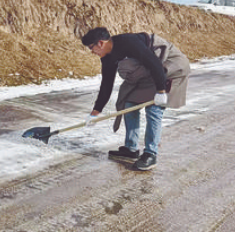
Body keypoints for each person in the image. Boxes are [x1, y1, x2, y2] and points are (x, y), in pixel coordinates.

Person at [81, 27, 190, 171]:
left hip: (168, 67)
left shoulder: (128, 43)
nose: (92, 52)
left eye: (91, 47)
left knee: (154, 109)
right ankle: (131, 149)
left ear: (100, 43)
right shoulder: (107, 57)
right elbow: (106, 84)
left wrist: (161, 91)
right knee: (129, 103)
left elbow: (153, 63)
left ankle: (151, 154)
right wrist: (95, 112)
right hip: (148, 74)